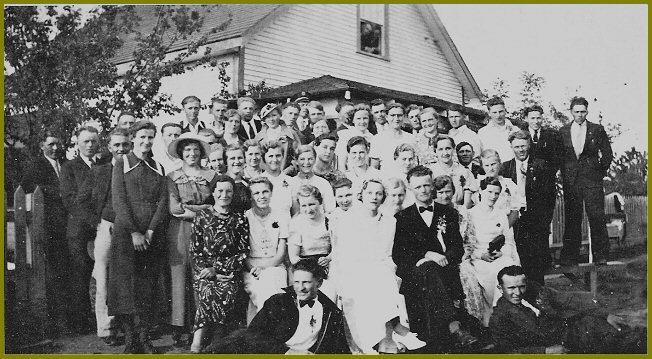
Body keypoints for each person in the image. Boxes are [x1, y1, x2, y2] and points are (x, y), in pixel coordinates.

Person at [331, 179, 426, 353]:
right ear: (361, 195)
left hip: (381, 267)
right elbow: (343, 254)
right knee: (378, 278)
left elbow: (386, 254)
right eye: (370, 193)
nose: (374, 197)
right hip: (352, 269)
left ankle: (387, 340)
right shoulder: (348, 219)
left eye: (379, 193)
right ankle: (396, 328)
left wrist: (383, 267)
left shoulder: (390, 221)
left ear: (383, 197)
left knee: (383, 276)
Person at [393, 166, 477, 352]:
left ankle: (446, 336)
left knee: (432, 270)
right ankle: (454, 327)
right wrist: (427, 256)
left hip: (445, 271)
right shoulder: (402, 217)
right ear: (410, 188)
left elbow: (457, 248)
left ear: (432, 186)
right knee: (428, 269)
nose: (423, 190)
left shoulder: (447, 213)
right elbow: (400, 255)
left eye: (426, 185)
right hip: (414, 276)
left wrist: (443, 258)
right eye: (418, 187)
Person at [109, 120, 168, 353]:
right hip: (126, 235)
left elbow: (163, 202)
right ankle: (130, 340)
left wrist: (150, 231)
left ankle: (144, 338)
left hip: (151, 237)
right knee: (125, 289)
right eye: (142, 137)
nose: (146, 141)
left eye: (150, 137)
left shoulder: (158, 167)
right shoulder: (121, 163)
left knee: (147, 288)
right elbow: (119, 201)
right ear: (133, 138)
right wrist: (134, 232)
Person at [207, 259, 350, 354]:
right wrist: (286, 352)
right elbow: (253, 335)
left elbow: (339, 348)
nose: (300, 288)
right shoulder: (279, 302)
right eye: (297, 282)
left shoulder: (331, 312)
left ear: (318, 283)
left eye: (306, 282)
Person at [490, 265, 643, 354]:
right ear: (500, 288)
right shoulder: (499, 317)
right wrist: (545, 351)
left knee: (616, 330)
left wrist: (606, 314)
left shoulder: (534, 291)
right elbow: (508, 351)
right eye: (511, 288)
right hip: (555, 346)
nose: (517, 293)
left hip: (572, 331)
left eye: (521, 286)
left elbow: (568, 300)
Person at [76, 128, 131, 345]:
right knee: (103, 279)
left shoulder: (134, 170)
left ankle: (129, 326)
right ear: (109, 147)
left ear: (131, 145)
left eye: (125, 145)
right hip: (107, 227)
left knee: (128, 278)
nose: (121, 149)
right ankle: (107, 328)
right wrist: (97, 222)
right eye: (116, 145)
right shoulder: (99, 171)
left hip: (130, 229)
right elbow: (80, 202)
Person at [166, 132, 218, 347]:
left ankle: (201, 326)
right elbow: (175, 209)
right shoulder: (172, 177)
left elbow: (218, 205)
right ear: (180, 153)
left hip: (206, 231)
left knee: (202, 276)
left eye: (196, 150)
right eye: (187, 150)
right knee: (179, 276)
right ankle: (179, 327)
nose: (192, 153)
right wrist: (204, 208)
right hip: (179, 231)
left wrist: (197, 210)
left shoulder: (212, 175)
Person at [189, 175, 250, 353]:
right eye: (220, 191)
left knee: (226, 290)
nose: (224, 194)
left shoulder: (239, 219)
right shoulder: (202, 216)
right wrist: (207, 270)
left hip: (229, 271)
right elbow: (195, 250)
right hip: (204, 271)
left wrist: (218, 269)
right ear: (213, 193)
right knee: (207, 290)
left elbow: (243, 252)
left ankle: (214, 340)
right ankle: (199, 340)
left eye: (228, 191)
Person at [21, 132, 69, 333]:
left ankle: (66, 315)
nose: (55, 148)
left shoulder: (65, 164)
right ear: (42, 146)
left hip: (65, 224)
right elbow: (27, 187)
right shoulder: (37, 165)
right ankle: (53, 319)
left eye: (58, 144)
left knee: (65, 271)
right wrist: (56, 191)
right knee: (51, 272)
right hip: (46, 226)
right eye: (51, 144)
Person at [60, 125, 106, 334]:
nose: (90, 145)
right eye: (85, 141)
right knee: (80, 277)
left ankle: (104, 321)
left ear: (99, 143)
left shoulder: (105, 165)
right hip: (80, 230)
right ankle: (79, 324)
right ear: (77, 143)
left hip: (103, 228)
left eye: (93, 141)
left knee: (104, 276)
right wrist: (94, 221)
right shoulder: (69, 167)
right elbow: (70, 200)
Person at [559, 97, 613, 265]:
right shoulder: (563, 131)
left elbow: (607, 154)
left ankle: (601, 256)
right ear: (571, 112)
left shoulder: (597, 130)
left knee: (596, 217)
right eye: (577, 112)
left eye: (583, 112)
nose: (580, 115)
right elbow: (559, 156)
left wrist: (598, 171)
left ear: (587, 112)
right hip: (571, 181)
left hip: (592, 181)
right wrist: (565, 174)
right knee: (572, 218)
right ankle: (570, 257)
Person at [500, 130, 557, 284]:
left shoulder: (542, 166)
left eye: (524, 146)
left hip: (536, 223)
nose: (521, 150)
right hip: (514, 223)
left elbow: (550, 197)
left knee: (536, 267)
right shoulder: (505, 168)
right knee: (515, 264)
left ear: (529, 145)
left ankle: (537, 300)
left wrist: (544, 222)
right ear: (511, 147)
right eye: (517, 147)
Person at [466, 177, 521, 325]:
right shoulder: (470, 214)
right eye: (489, 192)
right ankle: (494, 318)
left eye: (496, 193)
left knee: (508, 269)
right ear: (481, 192)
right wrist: (480, 255)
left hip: (499, 255)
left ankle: (512, 315)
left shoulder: (501, 214)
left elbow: (508, 240)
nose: (493, 196)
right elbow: (466, 244)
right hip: (479, 258)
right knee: (491, 274)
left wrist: (501, 253)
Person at [243, 177, 289, 324]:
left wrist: (264, 268)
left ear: (271, 193)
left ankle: (267, 332)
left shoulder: (280, 216)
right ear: (251, 196)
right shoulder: (245, 217)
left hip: (275, 265)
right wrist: (254, 268)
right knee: (260, 290)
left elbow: (281, 254)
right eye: (256, 193)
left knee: (272, 283)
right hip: (251, 268)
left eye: (265, 192)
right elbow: (242, 253)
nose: (261, 196)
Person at [288, 185, 335, 301]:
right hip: (304, 265)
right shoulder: (297, 224)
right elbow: (293, 257)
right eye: (304, 205)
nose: (308, 209)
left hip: (326, 264)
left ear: (320, 202)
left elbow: (337, 249)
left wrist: (329, 258)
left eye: (312, 204)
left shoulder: (329, 221)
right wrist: (310, 267)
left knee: (331, 288)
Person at [475, 149, 523, 227]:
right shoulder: (477, 184)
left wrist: (503, 229)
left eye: (493, 164)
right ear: (482, 167)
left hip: (504, 226)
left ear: (499, 163)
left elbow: (515, 211)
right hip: (482, 226)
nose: (491, 168)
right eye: (487, 165)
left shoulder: (509, 184)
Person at [428, 135, 475, 207]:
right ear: (435, 151)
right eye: (441, 149)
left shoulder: (464, 172)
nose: (445, 153)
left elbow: (470, 200)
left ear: (453, 149)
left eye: (448, 148)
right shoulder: (430, 173)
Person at [290, 145, 336, 214]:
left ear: (315, 160)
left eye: (310, 159)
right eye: (302, 159)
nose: (307, 162)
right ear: (296, 161)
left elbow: (330, 211)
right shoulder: (291, 183)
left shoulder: (323, 183)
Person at [369, 102, 415, 169]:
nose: (396, 119)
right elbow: (374, 167)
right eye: (392, 115)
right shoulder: (378, 139)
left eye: (399, 115)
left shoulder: (411, 138)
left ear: (404, 117)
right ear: (387, 117)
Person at [254, 103, 301, 167]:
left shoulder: (291, 133)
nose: (271, 119)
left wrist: (290, 169)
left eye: (274, 115)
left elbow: (299, 155)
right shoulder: (259, 137)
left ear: (280, 115)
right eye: (267, 116)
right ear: (264, 119)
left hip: (287, 173)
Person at [260, 140, 296, 215]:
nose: (275, 160)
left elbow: (296, 212)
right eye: (270, 156)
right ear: (264, 158)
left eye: (278, 155)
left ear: (283, 157)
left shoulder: (291, 182)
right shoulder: (258, 181)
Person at [521, 104, 562, 170]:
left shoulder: (552, 135)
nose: (536, 122)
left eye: (538, 118)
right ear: (526, 119)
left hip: (546, 175)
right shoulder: (521, 134)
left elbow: (556, 158)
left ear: (542, 118)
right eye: (532, 118)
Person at [477, 97, 518, 163]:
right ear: (489, 113)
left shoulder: (515, 130)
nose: (498, 115)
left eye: (501, 111)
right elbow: (479, 155)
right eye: (494, 112)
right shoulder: (483, 132)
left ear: (505, 111)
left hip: (512, 169)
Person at [335, 104, 375, 170]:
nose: (362, 122)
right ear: (353, 120)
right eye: (358, 118)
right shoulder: (346, 135)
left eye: (365, 118)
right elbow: (341, 163)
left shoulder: (371, 137)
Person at [224, 144, 252, 213]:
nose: (237, 161)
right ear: (226, 162)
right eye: (232, 158)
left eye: (240, 158)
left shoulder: (248, 183)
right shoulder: (221, 183)